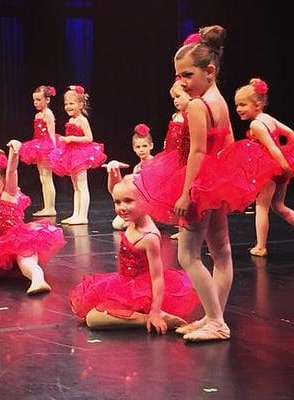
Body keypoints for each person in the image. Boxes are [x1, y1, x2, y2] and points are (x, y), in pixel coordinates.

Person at [134, 25, 238, 342]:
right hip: (216, 181)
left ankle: (217, 321)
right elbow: (229, 141)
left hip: (199, 184)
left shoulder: (197, 104)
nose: (181, 82)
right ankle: (212, 315)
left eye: (187, 75)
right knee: (222, 251)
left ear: (209, 70)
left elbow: (197, 151)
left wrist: (186, 191)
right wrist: (226, 178)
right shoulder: (218, 99)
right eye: (179, 76)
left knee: (187, 255)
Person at [70, 174, 199, 333]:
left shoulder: (149, 236)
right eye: (117, 202)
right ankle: (143, 318)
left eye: (128, 201)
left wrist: (155, 311)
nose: (122, 207)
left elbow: (157, 277)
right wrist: (112, 174)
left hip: (141, 292)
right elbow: (114, 190)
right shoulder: (133, 219)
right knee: (91, 316)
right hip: (123, 283)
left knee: (92, 318)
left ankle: (147, 318)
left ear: (145, 201)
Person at [0, 140, 66, 295]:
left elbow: (11, 171)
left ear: (3, 182)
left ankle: (38, 279)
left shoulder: (8, 195)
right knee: (6, 270)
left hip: (21, 239)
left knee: (25, 259)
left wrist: (14, 153)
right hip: (3, 248)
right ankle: (26, 274)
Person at [235, 78, 294, 257]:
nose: (238, 109)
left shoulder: (256, 124)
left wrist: (285, 167)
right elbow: (291, 133)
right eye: (237, 105)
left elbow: (272, 147)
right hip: (280, 167)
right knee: (279, 206)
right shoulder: (268, 118)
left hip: (270, 169)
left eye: (243, 104)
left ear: (258, 104)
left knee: (262, 207)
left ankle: (261, 246)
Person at [49, 85, 107, 225]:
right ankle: (76, 214)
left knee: (82, 185)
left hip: (81, 155)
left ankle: (83, 216)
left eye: (71, 103)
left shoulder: (82, 120)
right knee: (75, 187)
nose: (68, 106)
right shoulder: (71, 120)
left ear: (80, 104)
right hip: (71, 154)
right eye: (66, 104)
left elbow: (89, 138)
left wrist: (71, 139)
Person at [19, 85, 57, 217]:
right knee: (43, 178)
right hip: (38, 145)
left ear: (47, 100)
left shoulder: (48, 114)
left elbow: (52, 133)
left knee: (47, 177)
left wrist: (54, 150)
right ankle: (47, 206)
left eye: (39, 99)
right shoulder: (38, 115)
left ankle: (50, 207)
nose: (36, 102)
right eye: (34, 100)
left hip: (46, 146)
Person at [108, 123, 154, 230]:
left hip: (150, 202)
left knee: (126, 224)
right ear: (134, 148)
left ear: (151, 146)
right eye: (138, 147)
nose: (141, 149)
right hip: (138, 201)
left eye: (144, 146)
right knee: (117, 225)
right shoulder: (137, 167)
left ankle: (144, 219)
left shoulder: (154, 163)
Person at [164, 79, 192, 239]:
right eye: (174, 98)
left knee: (185, 194)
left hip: (186, 160)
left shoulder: (191, 116)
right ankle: (181, 227)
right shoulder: (176, 116)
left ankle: (186, 229)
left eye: (178, 96)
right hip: (174, 158)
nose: (175, 100)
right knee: (177, 194)